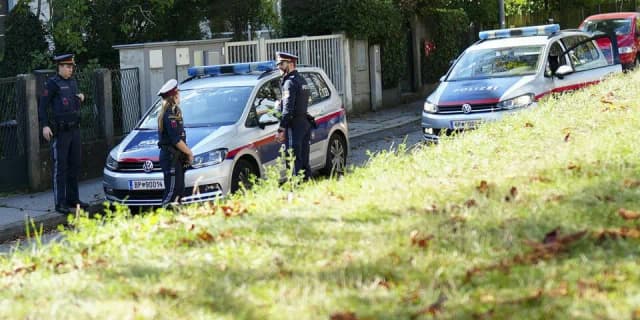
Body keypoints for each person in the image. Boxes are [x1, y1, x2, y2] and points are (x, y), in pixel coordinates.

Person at [38, 53, 89, 214]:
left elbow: (70, 101)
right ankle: (60, 203)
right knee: (61, 167)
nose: (70, 69)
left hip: (75, 130)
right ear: (59, 67)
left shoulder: (73, 82)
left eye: (71, 66)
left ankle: (73, 199)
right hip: (61, 132)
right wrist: (45, 126)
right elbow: (42, 106)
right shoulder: (53, 83)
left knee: (75, 165)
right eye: (67, 66)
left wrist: (80, 98)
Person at [274, 51, 312, 179]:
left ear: (290, 64)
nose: (279, 67)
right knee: (304, 162)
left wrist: (281, 129)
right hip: (304, 124)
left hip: (294, 126)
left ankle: (296, 191)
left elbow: (288, 110)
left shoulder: (289, 83)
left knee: (294, 162)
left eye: (281, 64)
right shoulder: (301, 80)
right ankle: (307, 189)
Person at [156, 79, 193, 206]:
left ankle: (176, 222)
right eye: (178, 92)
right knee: (171, 194)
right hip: (171, 158)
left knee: (179, 192)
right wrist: (189, 153)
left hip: (176, 157)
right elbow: (176, 140)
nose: (180, 95)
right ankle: (163, 219)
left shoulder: (175, 112)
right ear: (174, 95)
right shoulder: (169, 114)